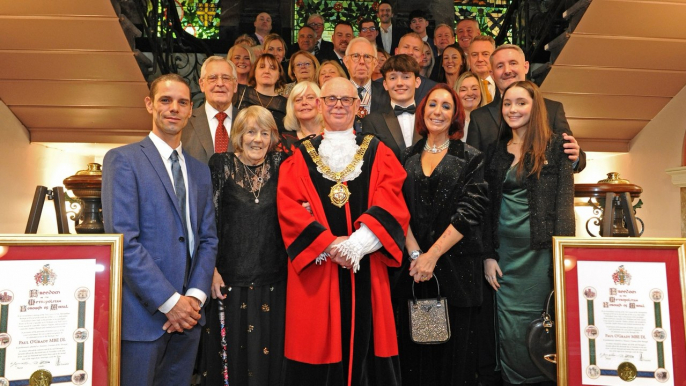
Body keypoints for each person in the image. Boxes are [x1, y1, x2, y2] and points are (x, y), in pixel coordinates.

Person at [277, 77, 410, 386]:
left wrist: (359, 244)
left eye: (346, 100)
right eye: (331, 99)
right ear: (321, 104)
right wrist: (328, 244)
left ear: (358, 106)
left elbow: (393, 199)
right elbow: (288, 206)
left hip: (365, 264)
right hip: (318, 271)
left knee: (368, 345)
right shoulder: (298, 155)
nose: (338, 105)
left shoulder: (379, 152)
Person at [469, 44, 584, 386]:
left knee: (544, 329)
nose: (514, 108)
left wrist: (562, 259)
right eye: (508, 103)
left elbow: (565, 202)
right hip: (505, 259)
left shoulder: (552, 145)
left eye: (522, 103)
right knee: (509, 333)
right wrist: (488, 255)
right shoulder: (493, 151)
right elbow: (485, 205)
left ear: (535, 108)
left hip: (540, 257)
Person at [102, 73, 218, 386]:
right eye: (165, 100)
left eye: (182, 102)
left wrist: (193, 299)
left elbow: (208, 240)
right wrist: (170, 303)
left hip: (189, 320)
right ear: (150, 104)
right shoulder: (123, 160)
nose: (173, 108)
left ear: (191, 109)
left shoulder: (198, 170)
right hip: (144, 320)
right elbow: (125, 242)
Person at [397, 83, 488, 386]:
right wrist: (415, 256)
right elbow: (397, 208)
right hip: (412, 271)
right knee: (413, 357)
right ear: (423, 111)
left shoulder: (471, 157)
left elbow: (471, 212)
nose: (438, 111)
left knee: (455, 361)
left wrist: (431, 256)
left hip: (457, 271)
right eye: (433, 104)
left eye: (446, 106)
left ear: (455, 115)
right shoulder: (405, 156)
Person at [201, 106, 287, 386]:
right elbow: (208, 220)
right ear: (239, 134)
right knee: (232, 360)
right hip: (229, 281)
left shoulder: (281, 164)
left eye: (264, 132)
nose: (257, 139)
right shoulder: (221, 164)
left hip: (273, 279)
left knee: (270, 356)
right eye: (251, 131)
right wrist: (211, 270)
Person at [362, 54, 422, 161]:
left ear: (417, 82)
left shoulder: (430, 118)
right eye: (393, 78)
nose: (399, 83)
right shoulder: (372, 121)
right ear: (385, 84)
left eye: (406, 77)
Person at [182, 56, 238, 164]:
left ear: (235, 85)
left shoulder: (246, 122)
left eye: (226, 78)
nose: (220, 83)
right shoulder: (184, 122)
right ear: (202, 84)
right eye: (213, 78)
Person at [235, 53, 288, 133]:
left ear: (278, 75)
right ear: (254, 72)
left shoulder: (285, 104)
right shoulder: (240, 92)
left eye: (272, 68)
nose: (267, 71)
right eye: (262, 67)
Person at [343, 37, 389, 116]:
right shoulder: (337, 93)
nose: (361, 61)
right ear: (346, 62)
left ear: (375, 63)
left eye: (367, 57)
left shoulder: (387, 93)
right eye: (356, 56)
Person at [396, 33, 439, 106]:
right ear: (396, 52)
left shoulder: (433, 88)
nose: (410, 52)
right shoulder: (379, 85)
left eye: (416, 49)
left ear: (422, 57)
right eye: (406, 47)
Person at [282, 81, 324, 150]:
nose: (304, 103)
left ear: (320, 103)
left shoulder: (333, 135)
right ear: (292, 107)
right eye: (298, 100)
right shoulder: (285, 141)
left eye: (310, 98)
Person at [455, 71, 488, 141]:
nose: (470, 93)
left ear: (481, 92)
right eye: (463, 89)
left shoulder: (490, 122)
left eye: (474, 89)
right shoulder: (449, 123)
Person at [468, 35, 496, 102]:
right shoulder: (460, 88)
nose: (480, 59)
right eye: (474, 55)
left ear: (494, 58)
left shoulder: (504, 84)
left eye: (485, 54)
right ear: (468, 60)